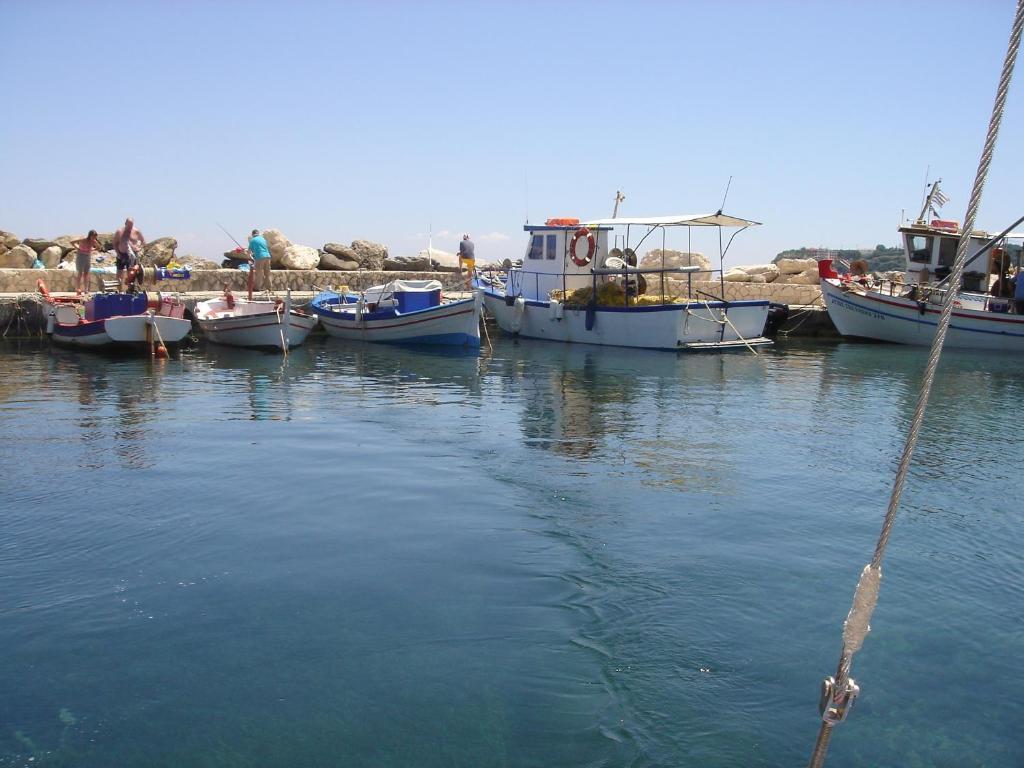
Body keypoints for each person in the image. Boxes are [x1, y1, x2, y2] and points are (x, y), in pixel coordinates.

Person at [113, 218, 145, 291]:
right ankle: (119, 290)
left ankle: (130, 290)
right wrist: (118, 253)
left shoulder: (136, 231)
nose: (130, 227)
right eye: (129, 225)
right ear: (125, 224)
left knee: (131, 273)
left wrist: (139, 249)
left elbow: (143, 241)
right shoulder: (119, 231)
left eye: (131, 225)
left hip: (133, 255)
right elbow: (115, 243)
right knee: (119, 273)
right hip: (121, 254)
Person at [71, 230, 102, 295]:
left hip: (87, 256)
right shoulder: (83, 239)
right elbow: (72, 242)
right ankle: (78, 289)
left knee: (86, 273)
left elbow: (99, 247)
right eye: (93, 237)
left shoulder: (93, 241)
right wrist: (77, 248)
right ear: (90, 235)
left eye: (95, 237)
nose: (94, 238)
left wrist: (92, 249)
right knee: (80, 272)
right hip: (81, 255)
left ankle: (86, 289)